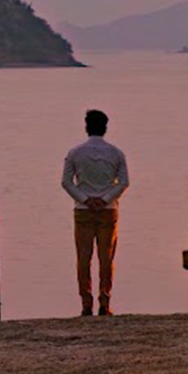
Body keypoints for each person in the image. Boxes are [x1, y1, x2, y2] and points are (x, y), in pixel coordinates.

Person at [61, 109, 130, 316]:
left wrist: (85, 199)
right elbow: (124, 182)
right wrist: (105, 199)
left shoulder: (75, 153)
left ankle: (86, 303)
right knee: (106, 257)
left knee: (83, 258)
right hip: (108, 210)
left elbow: (66, 182)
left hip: (83, 210)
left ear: (86, 127)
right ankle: (104, 301)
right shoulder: (116, 153)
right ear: (105, 128)